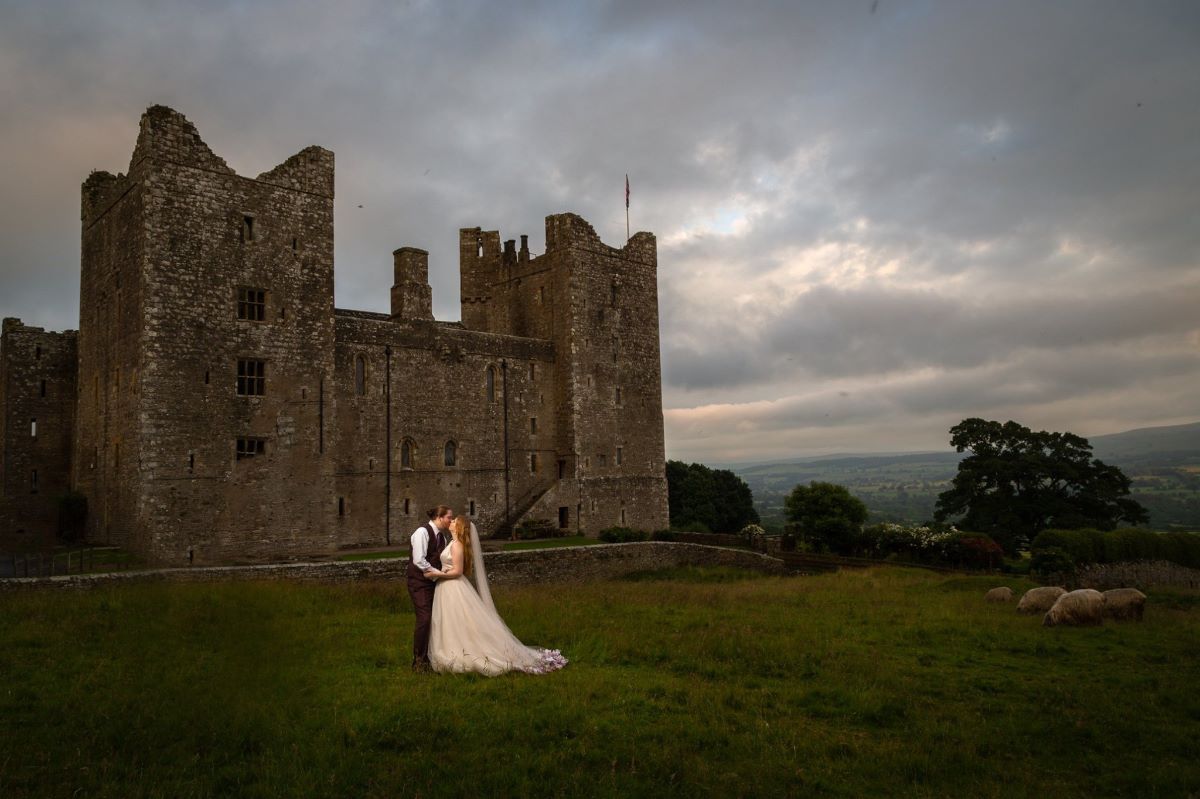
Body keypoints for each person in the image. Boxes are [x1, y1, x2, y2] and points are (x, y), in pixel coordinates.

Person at [423, 516, 568, 676]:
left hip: (453, 586)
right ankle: (450, 649)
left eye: (455, 521)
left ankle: (462, 652)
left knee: (459, 620)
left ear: (459, 528)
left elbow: (457, 571)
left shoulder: (457, 545)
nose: (451, 521)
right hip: (446, 587)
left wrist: (436, 574)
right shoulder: (452, 542)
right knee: (450, 621)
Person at [406, 505, 454, 672]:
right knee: (424, 618)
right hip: (419, 582)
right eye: (449, 517)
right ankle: (418, 661)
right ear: (439, 517)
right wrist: (438, 574)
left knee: (436, 619)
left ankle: (432, 657)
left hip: (433, 582)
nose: (451, 520)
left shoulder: (443, 538)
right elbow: (419, 560)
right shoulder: (422, 532)